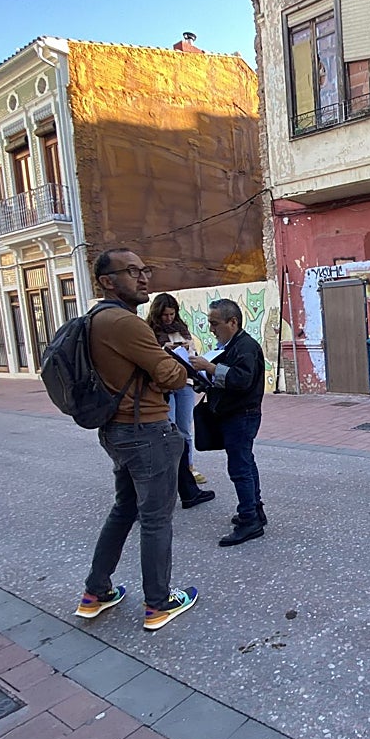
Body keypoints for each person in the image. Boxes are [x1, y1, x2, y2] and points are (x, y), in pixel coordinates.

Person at [74, 248, 220, 631]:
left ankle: (95, 593)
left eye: (145, 269)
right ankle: (158, 603)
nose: (143, 278)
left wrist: (157, 366)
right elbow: (173, 377)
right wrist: (165, 365)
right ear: (107, 281)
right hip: (146, 430)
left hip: (118, 429)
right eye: (133, 271)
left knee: (124, 509)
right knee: (156, 519)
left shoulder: (95, 320)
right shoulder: (125, 323)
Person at [204, 298, 267, 547]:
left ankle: (249, 519)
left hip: (242, 414)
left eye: (215, 323)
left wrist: (209, 368)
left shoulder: (246, 347)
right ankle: (254, 510)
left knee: (240, 467)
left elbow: (241, 380)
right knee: (246, 463)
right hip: (237, 413)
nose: (211, 329)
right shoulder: (231, 344)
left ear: (233, 322)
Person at [147, 293, 206, 485]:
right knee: (169, 427)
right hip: (165, 385)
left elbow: (193, 353)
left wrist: (188, 350)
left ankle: (189, 466)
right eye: (165, 315)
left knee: (185, 428)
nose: (169, 318)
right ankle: (171, 469)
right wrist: (166, 348)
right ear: (157, 314)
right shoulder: (150, 331)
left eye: (172, 314)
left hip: (185, 382)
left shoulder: (182, 329)